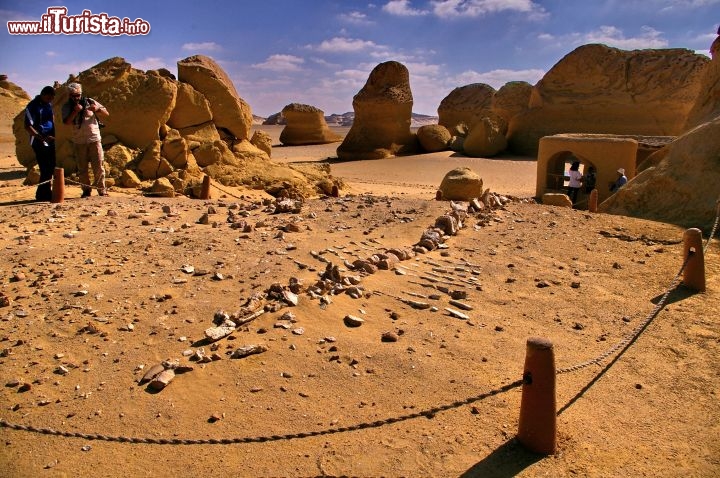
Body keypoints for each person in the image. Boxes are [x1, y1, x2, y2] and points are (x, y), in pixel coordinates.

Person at [61, 82, 109, 197]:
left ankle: (101, 190)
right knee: (82, 168)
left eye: (78, 95)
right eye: (74, 95)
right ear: (69, 95)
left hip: (94, 138)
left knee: (98, 166)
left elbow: (106, 113)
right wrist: (75, 111)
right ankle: (86, 191)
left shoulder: (89, 101)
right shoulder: (67, 106)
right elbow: (66, 122)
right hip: (79, 141)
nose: (76, 98)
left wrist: (97, 109)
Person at [24, 86, 56, 201]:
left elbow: (50, 120)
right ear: (43, 94)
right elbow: (27, 126)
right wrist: (40, 138)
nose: (50, 100)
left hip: (50, 139)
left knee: (50, 167)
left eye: (52, 98)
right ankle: (42, 195)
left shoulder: (48, 105)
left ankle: (45, 192)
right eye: (49, 98)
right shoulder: (33, 106)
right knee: (45, 167)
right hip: (38, 141)